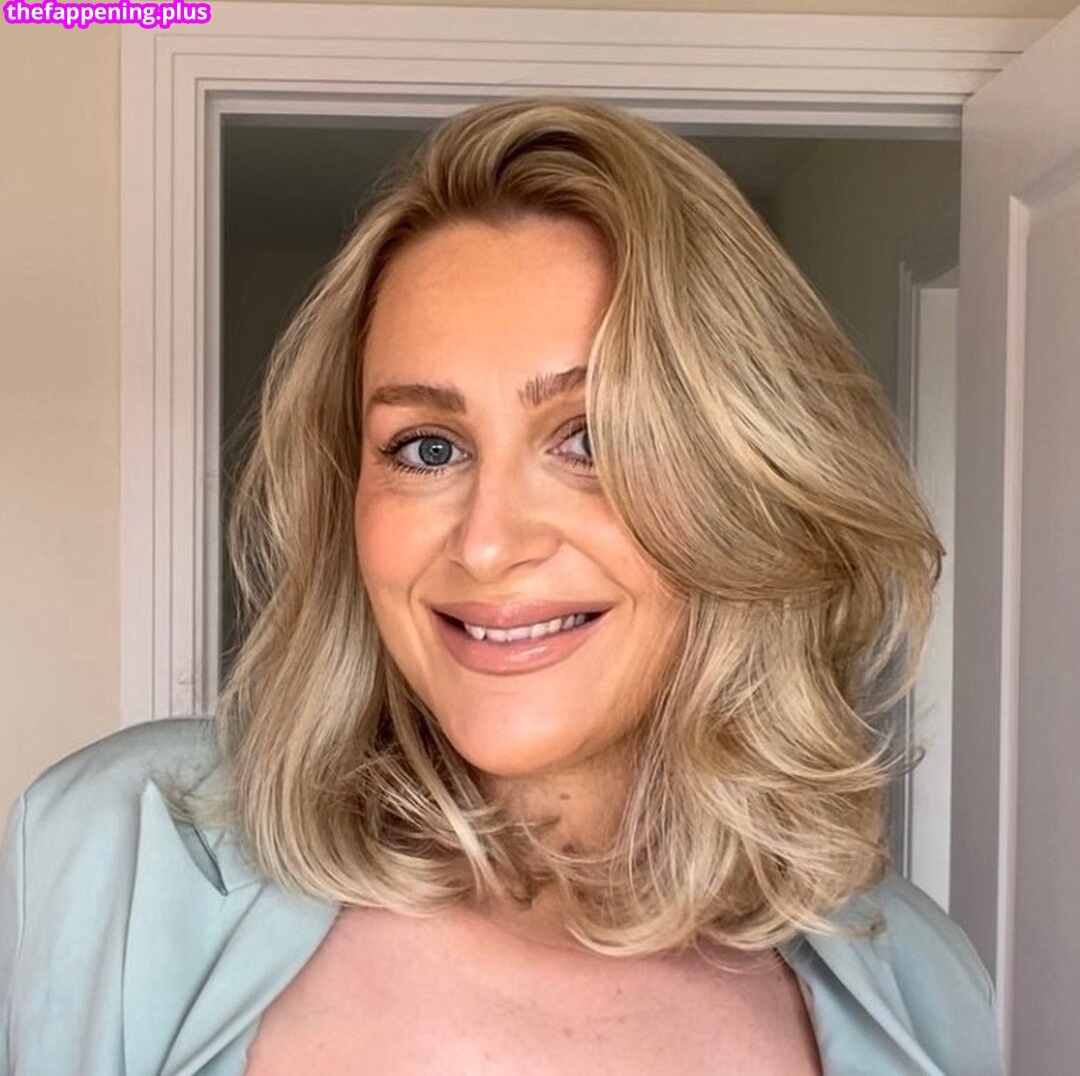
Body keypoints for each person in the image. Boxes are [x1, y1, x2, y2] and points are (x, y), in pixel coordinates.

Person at [0, 97, 1002, 1075]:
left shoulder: (923, 987)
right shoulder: (120, 851)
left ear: (752, 480)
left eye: (591, 438)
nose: (486, 545)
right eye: (428, 447)